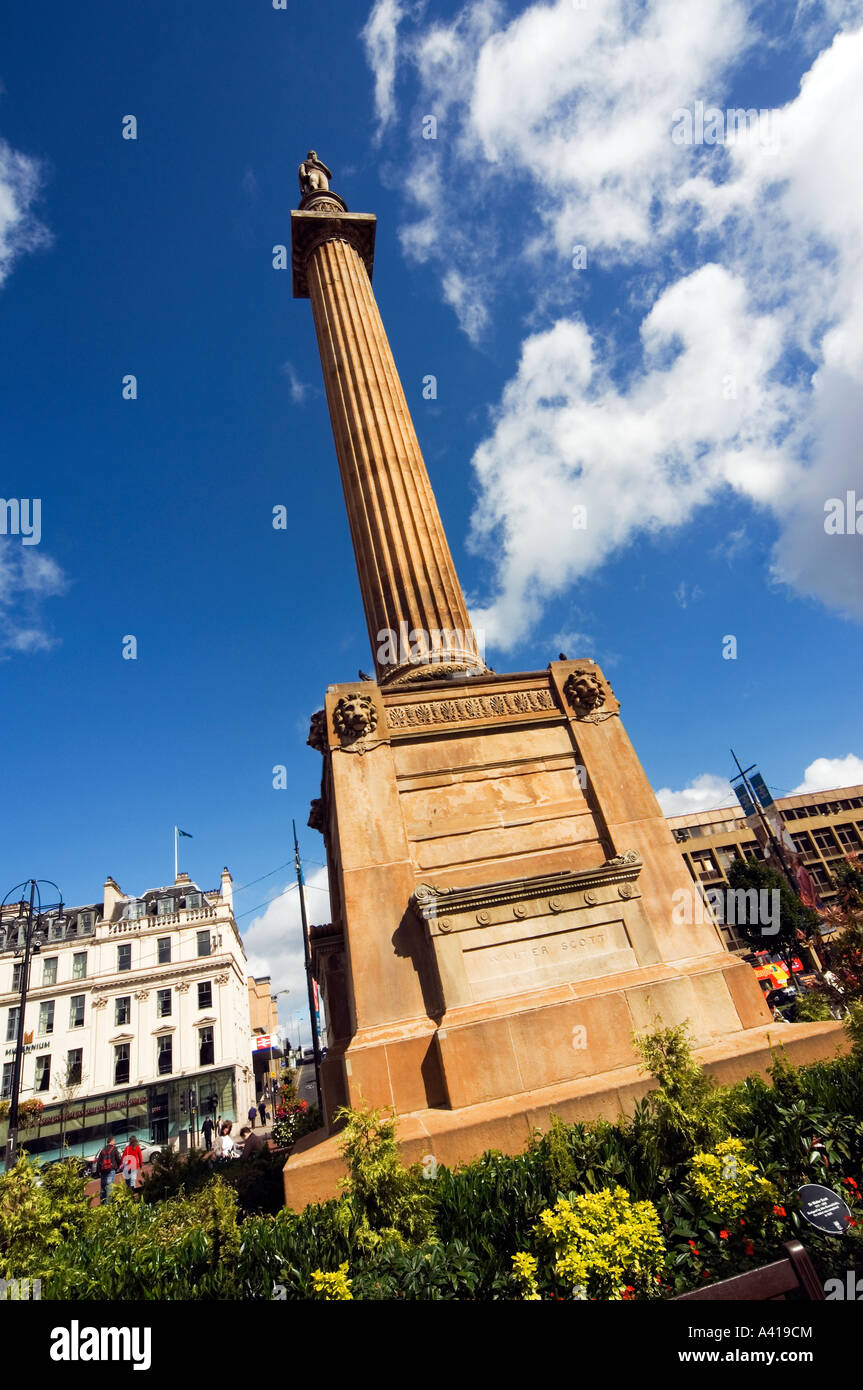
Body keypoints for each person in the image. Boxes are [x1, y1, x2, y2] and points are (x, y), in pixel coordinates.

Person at [94, 1136, 121, 1203]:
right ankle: (109, 1203)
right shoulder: (114, 1148)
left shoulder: (103, 1150)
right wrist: (118, 1166)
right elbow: (118, 1158)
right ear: (112, 1141)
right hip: (111, 1169)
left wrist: (98, 1171)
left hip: (103, 1170)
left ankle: (102, 1202)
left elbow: (99, 1161)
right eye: (114, 1141)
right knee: (109, 1185)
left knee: (103, 1186)